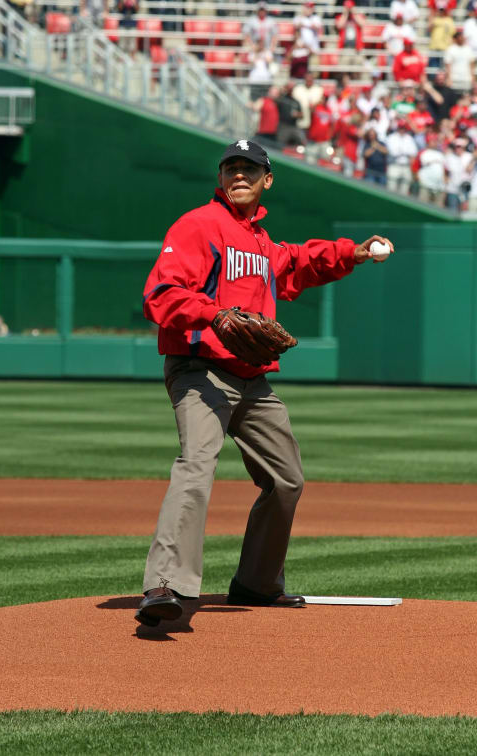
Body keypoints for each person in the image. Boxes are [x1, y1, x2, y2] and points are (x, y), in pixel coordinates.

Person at [135, 139, 394, 627]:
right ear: (220, 176)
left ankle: (256, 583)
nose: (239, 175)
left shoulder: (259, 241)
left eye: (249, 169)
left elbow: (298, 261)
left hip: (251, 379)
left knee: (286, 480)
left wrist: (353, 254)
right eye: (231, 167)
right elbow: (162, 293)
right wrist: (215, 314)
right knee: (196, 465)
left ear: (266, 180)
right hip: (200, 369)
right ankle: (164, 585)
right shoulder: (198, 226)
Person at [444, 28, 476, 96]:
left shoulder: (468, 49)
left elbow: (472, 65)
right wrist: (448, 78)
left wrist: (473, 78)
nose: (462, 38)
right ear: (455, 39)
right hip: (454, 79)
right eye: (460, 37)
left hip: (466, 79)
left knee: (466, 98)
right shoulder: (451, 49)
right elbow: (448, 65)